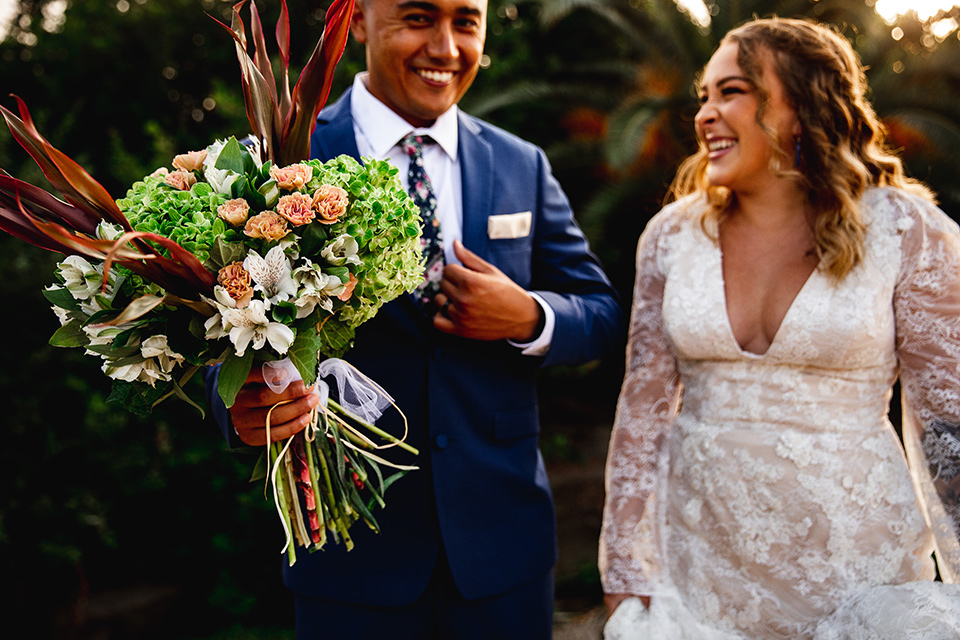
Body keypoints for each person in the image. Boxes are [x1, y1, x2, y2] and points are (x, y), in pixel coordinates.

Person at [205, 0, 623, 637]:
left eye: (467, 22)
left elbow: (599, 313)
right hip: (348, 558)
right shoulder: (282, 152)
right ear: (361, 19)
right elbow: (215, 328)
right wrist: (238, 403)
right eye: (420, 18)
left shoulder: (521, 164)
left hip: (503, 557)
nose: (448, 48)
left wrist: (528, 316)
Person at [600, 16, 960, 640]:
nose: (705, 114)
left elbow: (947, 424)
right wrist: (624, 566)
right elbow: (642, 412)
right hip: (700, 578)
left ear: (801, 107)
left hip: (857, 578)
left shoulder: (908, 232)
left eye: (732, 91)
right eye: (704, 95)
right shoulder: (671, 237)